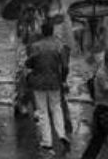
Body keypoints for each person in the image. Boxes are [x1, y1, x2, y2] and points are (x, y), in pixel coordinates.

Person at [27, 18, 69, 152]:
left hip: (38, 82)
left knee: (42, 110)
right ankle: (62, 134)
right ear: (52, 31)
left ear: (42, 32)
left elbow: (29, 63)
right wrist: (63, 79)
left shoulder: (36, 46)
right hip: (55, 81)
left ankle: (47, 141)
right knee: (56, 107)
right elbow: (65, 66)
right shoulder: (59, 46)